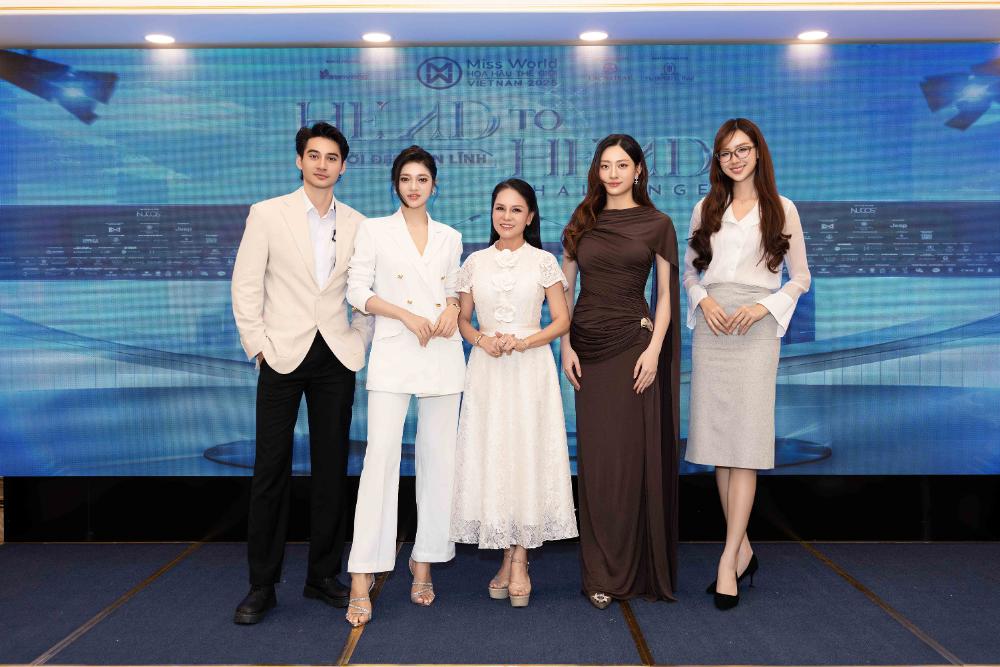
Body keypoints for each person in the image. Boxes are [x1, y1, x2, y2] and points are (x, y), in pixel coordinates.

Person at [230, 122, 372, 625]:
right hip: (281, 354)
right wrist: (258, 346)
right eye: (314, 155)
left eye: (331, 157)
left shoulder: (358, 224)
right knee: (270, 469)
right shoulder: (267, 214)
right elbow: (246, 285)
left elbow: (365, 293)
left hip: (335, 356)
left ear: (343, 166)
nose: (322, 164)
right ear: (299, 160)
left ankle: (322, 576)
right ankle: (261, 584)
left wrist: (359, 340)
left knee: (332, 469)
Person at [682, 118, 811, 610]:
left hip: (756, 328)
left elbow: (800, 277)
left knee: (747, 444)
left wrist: (764, 307)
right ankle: (743, 550)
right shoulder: (705, 208)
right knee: (721, 443)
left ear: (758, 152)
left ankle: (727, 559)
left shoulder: (783, 208)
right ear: (717, 160)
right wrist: (704, 300)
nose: (734, 159)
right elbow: (691, 273)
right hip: (714, 326)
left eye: (742, 150)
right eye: (725, 153)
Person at [344, 145, 465, 626]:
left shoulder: (451, 236)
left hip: (441, 352)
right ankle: (362, 573)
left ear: (435, 185)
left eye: (422, 179)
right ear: (395, 184)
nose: (414, 187)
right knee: (380, 460)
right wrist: (404, 315)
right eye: (406, 179)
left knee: (439, 462)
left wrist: (452, 308)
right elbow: (357, 290)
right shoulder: (374, 230)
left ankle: (424, 561)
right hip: (395, 349)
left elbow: (455, 288)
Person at [560, 134, 680, 609]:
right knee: (597, 464)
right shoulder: (582, 221)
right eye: (605, 165)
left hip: (633, 350)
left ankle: (632, 569)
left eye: (622, 165)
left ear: (638, 171)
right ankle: (598, 572)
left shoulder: (658, 224)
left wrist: (654, 350)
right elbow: (564, 291)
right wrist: (565, 344)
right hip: (587, 352)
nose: (612, 173)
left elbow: (666, 297)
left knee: (629, 462)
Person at [450, 179, 578, 608]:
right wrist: (481, 340)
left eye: (516, 209)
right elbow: (463, 319)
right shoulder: (474, 262)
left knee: (525, 455)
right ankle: (506, 555)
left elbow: (562, 320)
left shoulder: (543, 262)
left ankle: (519, 559)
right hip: (487, 369)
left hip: (529, 366)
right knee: (495, 456)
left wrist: (524, 342)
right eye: (500, 208)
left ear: (530, 216)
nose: (506, 216)